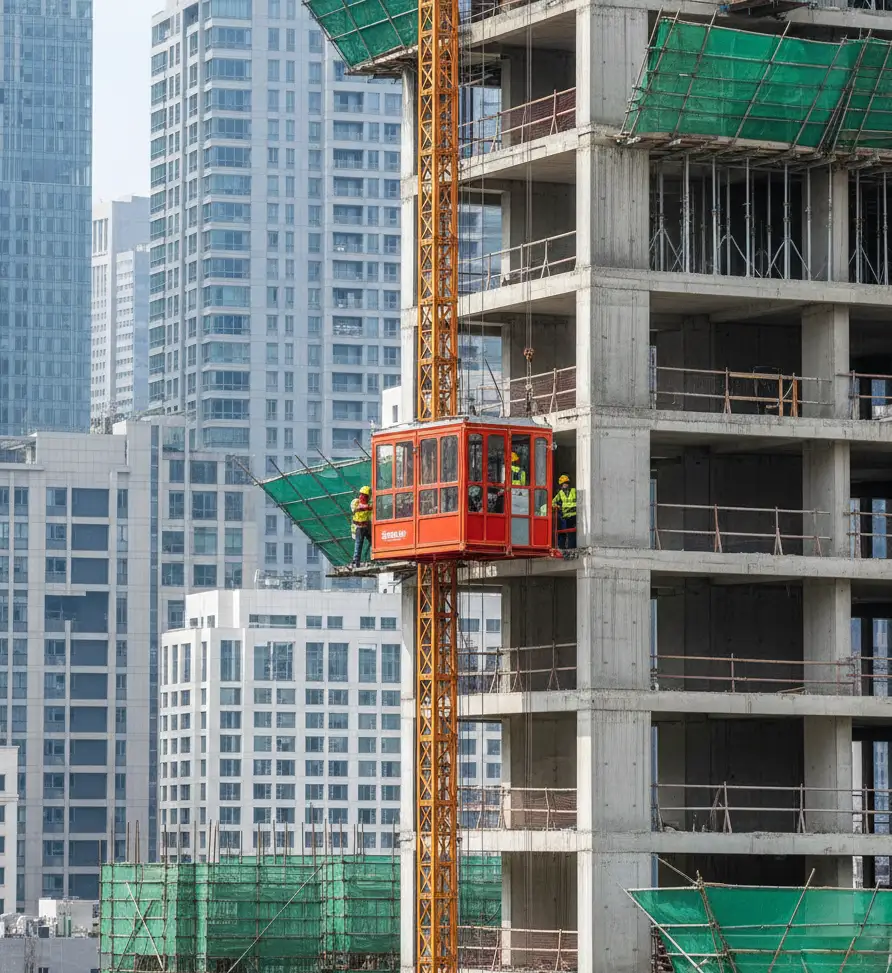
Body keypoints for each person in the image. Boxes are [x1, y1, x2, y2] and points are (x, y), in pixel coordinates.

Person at [552, 474, 576, 549]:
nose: (565, 485)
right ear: (561, 485)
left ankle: (571, 547)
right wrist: (557, 506)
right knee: (566, 532)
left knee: (573, 533)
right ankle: (566, 547)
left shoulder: (573, 491)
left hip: (574, 515)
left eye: (566, 483)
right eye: (564, 484)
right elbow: (552, 502)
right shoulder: (560, 493)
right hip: (566, 516)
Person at [351, 485, 372, 567]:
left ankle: (373, 557)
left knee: (373, 542)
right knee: (358, 544)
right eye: (361, 495)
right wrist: (369, 507)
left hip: (366, 526)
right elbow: (359, 508)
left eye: (364, 496)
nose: (362, 497)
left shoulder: (369, 504)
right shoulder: (355, 502)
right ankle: (355, 561)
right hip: (358, 527)